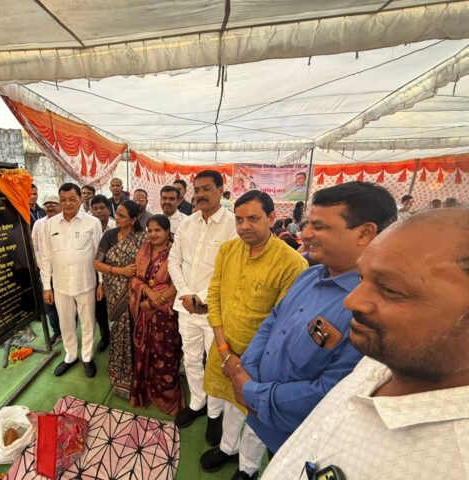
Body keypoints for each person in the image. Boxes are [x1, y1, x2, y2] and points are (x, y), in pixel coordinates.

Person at [261, 208, 469, 479]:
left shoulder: (453, 463)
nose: (352, 301)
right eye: (361, 278)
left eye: (391, 289)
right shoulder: (378, 361)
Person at [226, 181, 397, 457]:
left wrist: (253, 392)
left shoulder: (372, 310)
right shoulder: (309, 275)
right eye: (307, 224)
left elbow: (334, 391)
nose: (305, 234)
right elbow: (273, 321)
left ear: (365, 233)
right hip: (263, 419)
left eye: (319, 227)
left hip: (304, 444)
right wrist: (249, 372)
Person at [200, 190, 308, 480]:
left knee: (255, 418)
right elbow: (214, 295)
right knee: (230, 405)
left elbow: (283, 325)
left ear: (271, 218)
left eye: (253, 218)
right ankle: (227, 448)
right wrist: (224, 349)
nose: (244, 226)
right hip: (224, 348)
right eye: (239, 220)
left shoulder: (292, 263)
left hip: (262, 362)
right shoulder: (228, 250)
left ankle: (247, 468)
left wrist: (242, 363)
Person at [168, 170, 237, 445]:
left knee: (216, 364)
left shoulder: (232, 225)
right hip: (186, 308)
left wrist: (200, 298)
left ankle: (214, 413)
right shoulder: (187, 223)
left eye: (207, 188)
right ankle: (197, 402)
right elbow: (174, 261)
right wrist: (186, 294)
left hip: (215, 311)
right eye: (197, 190)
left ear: (221, 190)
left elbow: (230, 270)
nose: (200, 194)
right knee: (191, 358)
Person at [40, 183, 103, 378]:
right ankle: (71, 355)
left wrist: (101, 282)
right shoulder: (50, 224)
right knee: (66, 322)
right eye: (63, 200)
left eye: (72, 199)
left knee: (87, 322)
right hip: (60, 285)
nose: (67, 203)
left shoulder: (92, 223)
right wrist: (46, 286)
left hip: (85, 283)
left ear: (81, 199)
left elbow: (99, 255)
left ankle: (87, 357)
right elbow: (45, 257)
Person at [129, 214, 184, 415]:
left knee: (165, 353)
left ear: (167, 232)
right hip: (144, 308)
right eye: (150, 230)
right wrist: (147, 291)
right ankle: (147, 391)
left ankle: (167, 397)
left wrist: (153, 302)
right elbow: (135, 279)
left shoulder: (175, 252)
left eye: (158, 230)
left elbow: (177, 284)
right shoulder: (144, 250)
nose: (153, 234)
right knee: (145, 352)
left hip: (165, 313)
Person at [93, 200, 146, 398]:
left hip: (135, 292)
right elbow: (97, 263)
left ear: (133, 219)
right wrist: (120, 271)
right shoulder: (109, 235)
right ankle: (119, 372)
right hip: (114, 291)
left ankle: (137, 373)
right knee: (118, 329)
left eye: (123, 216)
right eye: (118, 214)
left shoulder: (142, 237)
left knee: (135, 329)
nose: (118, 219)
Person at [32, 194, 63, 345]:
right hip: (45, 273)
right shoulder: (39, 224)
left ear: (61, 206)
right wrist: (40, 264)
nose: (50, 207)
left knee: (65, 306)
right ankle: (57, 332)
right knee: (49, 306)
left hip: (63, 272)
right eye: (47, 204)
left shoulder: (65, 223)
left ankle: (67, 330)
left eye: (54, 204)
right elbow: (34, 246)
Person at [90, 194, 116, 352]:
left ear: (108, 209)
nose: (99, 211)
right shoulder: (88, 226)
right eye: (95, 208)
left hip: (115, 273)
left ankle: (119, 335)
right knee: (99, 307)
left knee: (116, 306)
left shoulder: (116, 225)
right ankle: (105, 336)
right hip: (95, 272)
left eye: (102, 208)